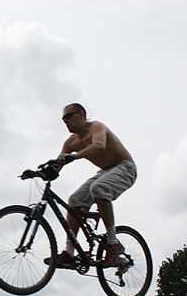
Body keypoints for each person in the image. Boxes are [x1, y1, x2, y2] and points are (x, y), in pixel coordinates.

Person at [51, 103, 137, 267]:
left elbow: (99, 145)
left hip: (125, 167)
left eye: (68, 116)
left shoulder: (96, 127)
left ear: (81, 114)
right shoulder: (70, 142)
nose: (65, 121)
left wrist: (75, 157)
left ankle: (113, 242)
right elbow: (59, 164)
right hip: (105, 171)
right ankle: (69, 252)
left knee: (98, 188)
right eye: (63, 119)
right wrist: (38, 173)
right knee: (75, 200)